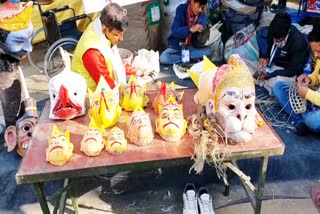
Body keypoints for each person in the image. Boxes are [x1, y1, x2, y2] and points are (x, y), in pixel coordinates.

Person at [272, 26, 320, 135]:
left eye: (319, 51)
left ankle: (302, 119)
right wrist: (309, 79)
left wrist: (307, 94)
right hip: (315, 99)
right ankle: (303, 120)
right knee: (278, 87)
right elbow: (317, 76)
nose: (316, 55)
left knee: (314, 121)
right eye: (315, 51)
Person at [72, 3, 128, 91]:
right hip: (89, 95)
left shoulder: (98, 25)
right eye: (116, 35)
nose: (121, 38)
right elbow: (105, 84)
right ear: (104, 29)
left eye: (122, 33)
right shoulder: (92, 51)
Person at [255, 13, 309, 94]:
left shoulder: (298, 43)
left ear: (287, 32)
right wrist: (264, 57)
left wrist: (271, 74)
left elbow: (294, 70)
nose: (275, 41)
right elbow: (269, 46)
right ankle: (264, 81)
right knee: (247, 64)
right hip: (272, 64)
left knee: (278, 83)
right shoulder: (273, 31)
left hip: (287, 71)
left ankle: (263, 82)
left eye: (278, 39)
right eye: (274, 38)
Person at [159, 0, 212, 65]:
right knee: (163, 58)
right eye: (198, 6)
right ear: (192, 2)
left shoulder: (201, 16)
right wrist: (189, 29)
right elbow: (175, 31)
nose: (200, 10)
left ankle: (181, 57)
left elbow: (199, 39)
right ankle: (188, 57)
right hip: (177, 46)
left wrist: (202, 34)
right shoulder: (181, 9)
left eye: (202, 8)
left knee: (209, 52)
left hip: (190, 47)